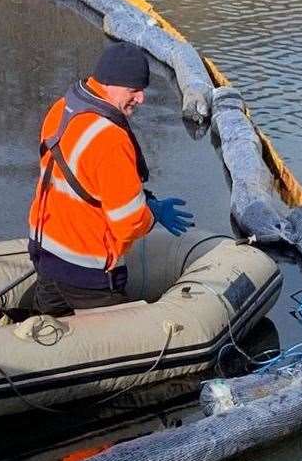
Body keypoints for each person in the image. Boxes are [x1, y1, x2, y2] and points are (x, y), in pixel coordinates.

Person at [28, 41, 194, 317]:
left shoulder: (62, 108)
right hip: (85, 268)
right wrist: (152, 212)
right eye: (134, 90)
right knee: (132, 340)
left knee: (48, 328)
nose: (141, 98)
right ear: (110, 83)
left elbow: (82, 180)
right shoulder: (110, 139)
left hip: (46, 253)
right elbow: (128, 224)